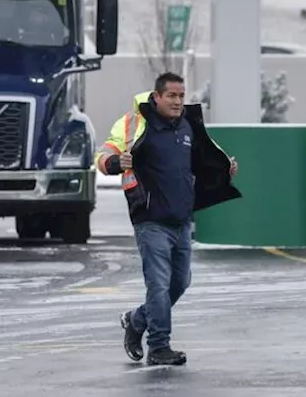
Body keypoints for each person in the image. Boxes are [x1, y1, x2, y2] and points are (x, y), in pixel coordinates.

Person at [94, 72, 242, 366]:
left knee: (180, 283)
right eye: (171, 96)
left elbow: (202, 161)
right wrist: (115, 162)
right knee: (159, 286)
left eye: (181, 96)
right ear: (157, 96)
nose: (177, 102)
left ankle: (136, 320)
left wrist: (224, 170)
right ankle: (159, 347)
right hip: (150, 219)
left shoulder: (188, 126)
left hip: (181, 220)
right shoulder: (135, 123)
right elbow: (104, 155)